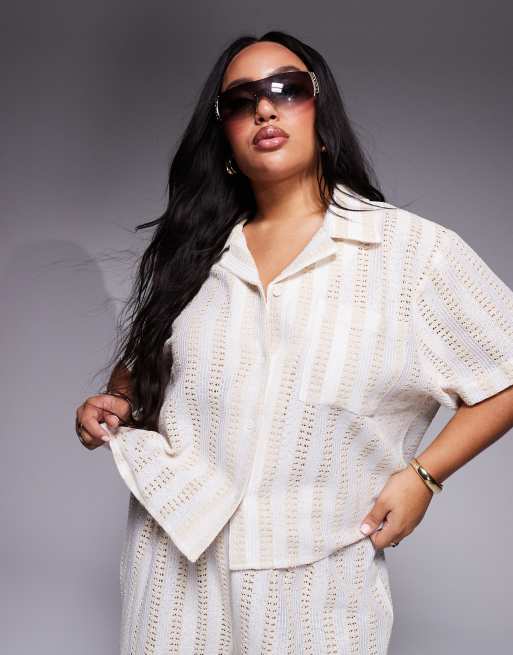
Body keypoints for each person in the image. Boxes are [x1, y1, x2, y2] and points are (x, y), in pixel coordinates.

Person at [74, 30, 513, 655]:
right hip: (172, 569)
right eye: (240, 100)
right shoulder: (197, 255)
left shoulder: (411, 253)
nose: (264, 107)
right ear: (225, 136)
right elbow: (147, 370)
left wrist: (424, 476)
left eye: (287, 89)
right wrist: (114, 404)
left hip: (315, 580)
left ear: (321, 114)